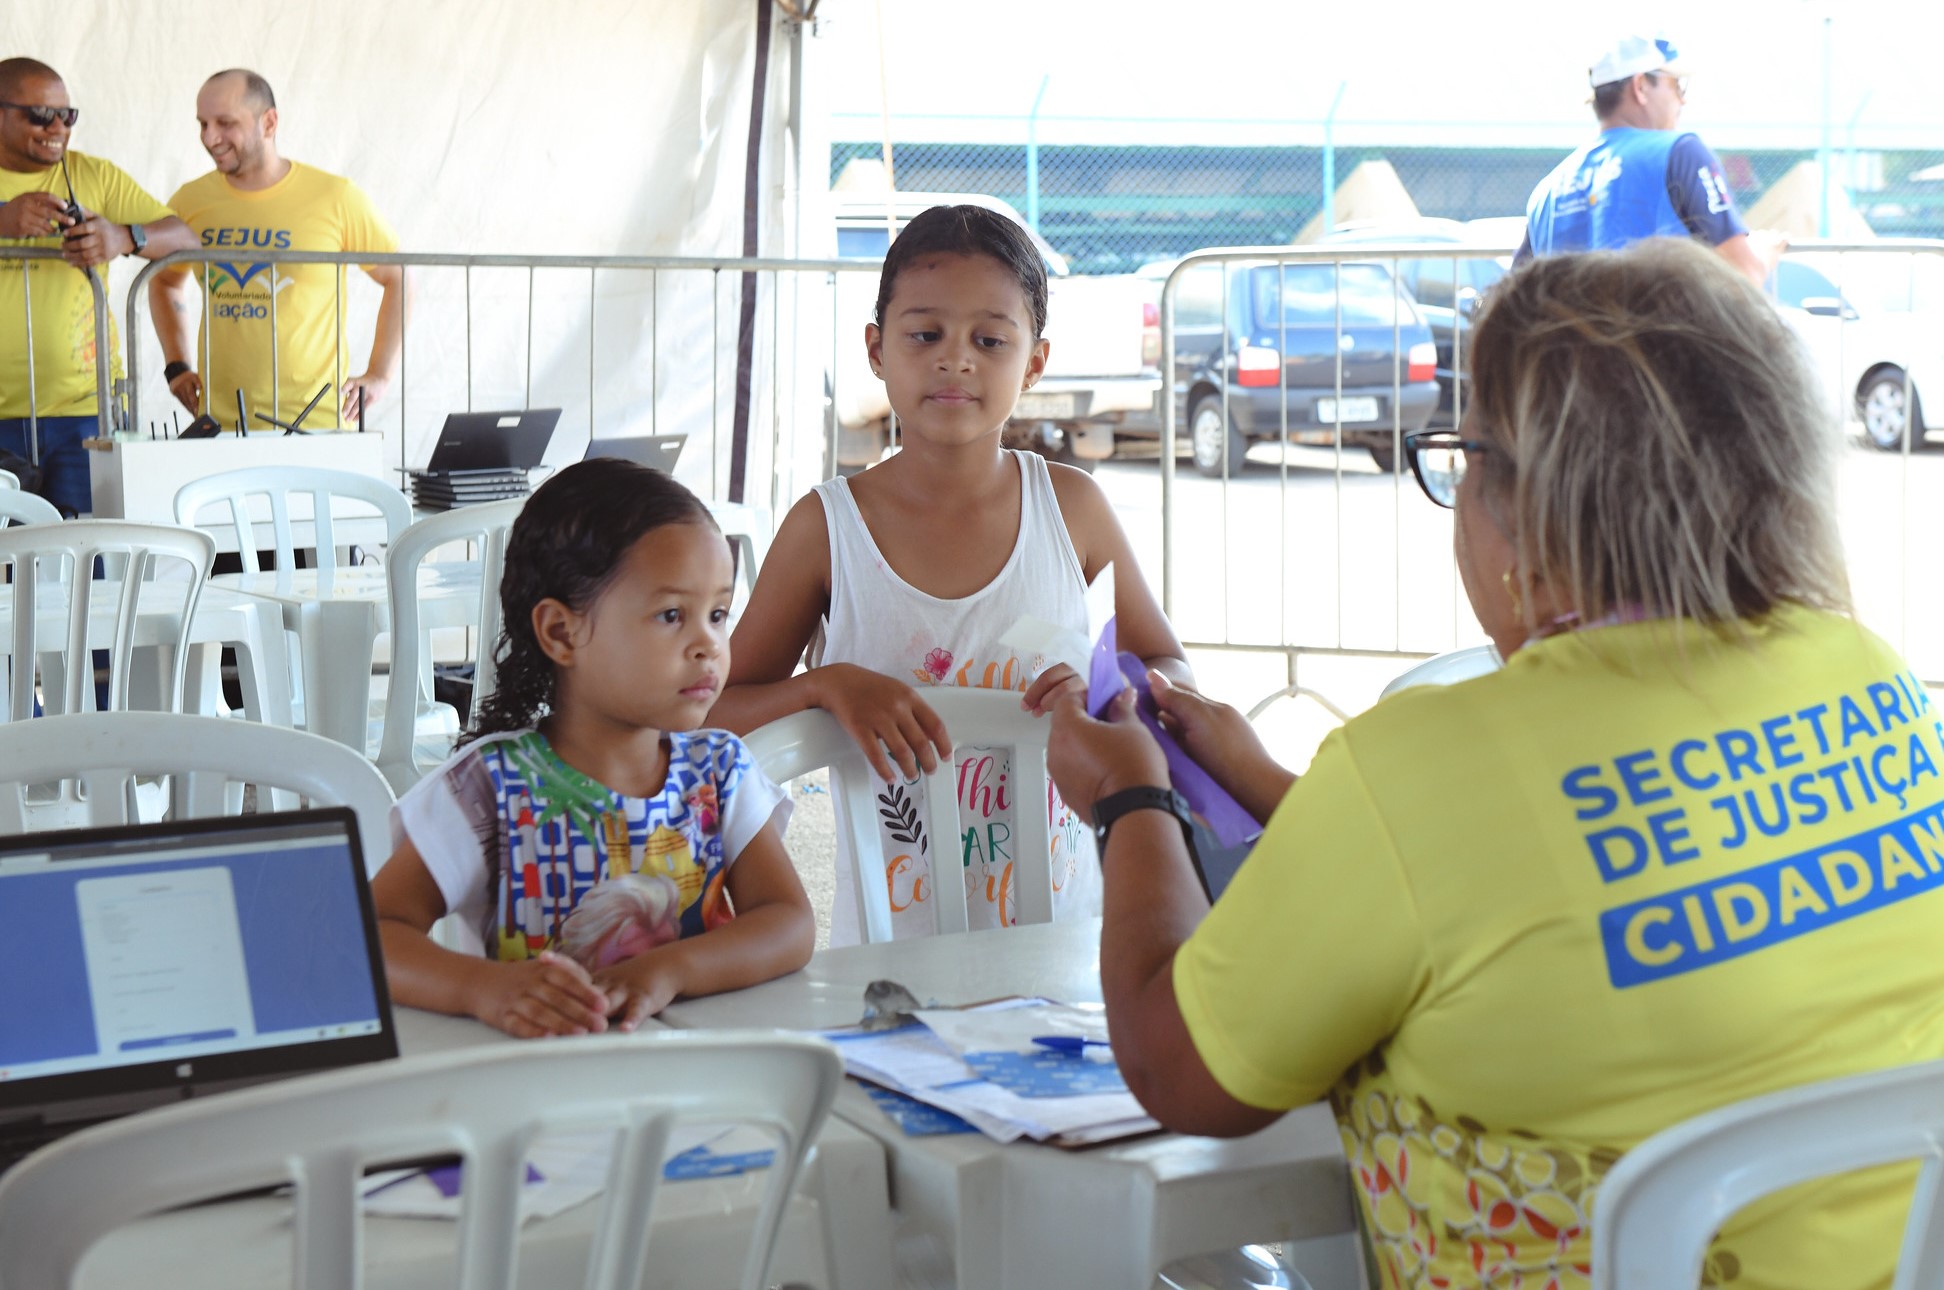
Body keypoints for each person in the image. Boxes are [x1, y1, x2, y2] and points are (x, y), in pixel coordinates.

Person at [1045, 239, 1944, 1290]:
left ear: (1536, 513)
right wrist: (1253, 775)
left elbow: (1178, 1072)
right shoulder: (1865, 675)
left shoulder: (1421, 766)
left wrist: (1129, 799)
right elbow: (1517, 900)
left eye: (1462, 459)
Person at [710, 204, 1190, 943]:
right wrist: (821, 688)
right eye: (925, 334)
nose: (956, 359)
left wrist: (1113, 693)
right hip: (888, 960)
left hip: (1065, 945)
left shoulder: (1074, 510)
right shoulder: (828, 530)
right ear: (876, 349)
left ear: (1034, 361)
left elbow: (1172, 670)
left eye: (990, 340)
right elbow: (709, 715)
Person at [372, 460, 815, 1038]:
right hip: (544, 1094)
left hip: (700, 1084)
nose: (708, 644)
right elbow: (373, 933)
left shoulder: (720, 772)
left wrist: (670, 969)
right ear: (561, 632)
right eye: (672, 615)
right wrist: (483, 989)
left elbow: (789, 922)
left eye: (717, 614)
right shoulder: (492, 788)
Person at [148, 69, 404, 433]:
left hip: (316, 424)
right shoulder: (191, 201)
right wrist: (176, 365)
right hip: (220, 425)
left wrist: (380, 374)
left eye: (225, 123)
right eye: (202, 124)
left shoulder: (334, 197)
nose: (209, 137)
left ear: (269, 122)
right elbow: (164, 283)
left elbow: (399, 279)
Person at [0, 57, 197, 514]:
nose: (57, 127)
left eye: (67, 115)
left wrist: (123, 237)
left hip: (85, 412)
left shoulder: (94, 175)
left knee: (87, 564)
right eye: (40, 114)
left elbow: (185, 238)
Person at [1518, 34, 1781, 287]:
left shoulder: (1547, 190)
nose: (1683, 100)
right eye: (1677, 86)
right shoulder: (1681, 153)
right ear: (1641, 86)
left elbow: (1514, 300)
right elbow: (1743, 275)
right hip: (1659, 334)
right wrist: (1763, 254)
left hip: (1565, 335)